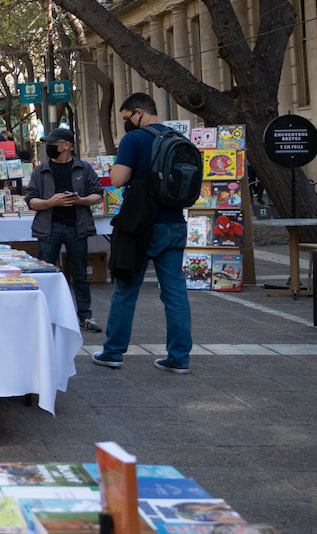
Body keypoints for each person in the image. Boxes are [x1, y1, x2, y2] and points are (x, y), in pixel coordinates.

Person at [93, 93, 192, 373]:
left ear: (138, 112)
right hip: (174, 222)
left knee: (126, 289)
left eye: (126, 118)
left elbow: (117, 180)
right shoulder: (178, 138)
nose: (125, 123)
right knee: (175, 292)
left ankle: (113, 352)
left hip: (139, 225)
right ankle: (179, 358)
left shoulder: (134, 139)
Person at [24, 128, 104, 332]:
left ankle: (85, 316)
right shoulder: (41, 170)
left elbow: (98, 194)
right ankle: (43, 315)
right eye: (49, 144)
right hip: (49, 228)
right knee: (45, 273)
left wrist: (81, 200)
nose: (50, 147)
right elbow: (30, 200)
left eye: (54, 143)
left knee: (80, 273)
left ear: (68, 145)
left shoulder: (83, 168)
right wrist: (50, 202)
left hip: (77, 227)